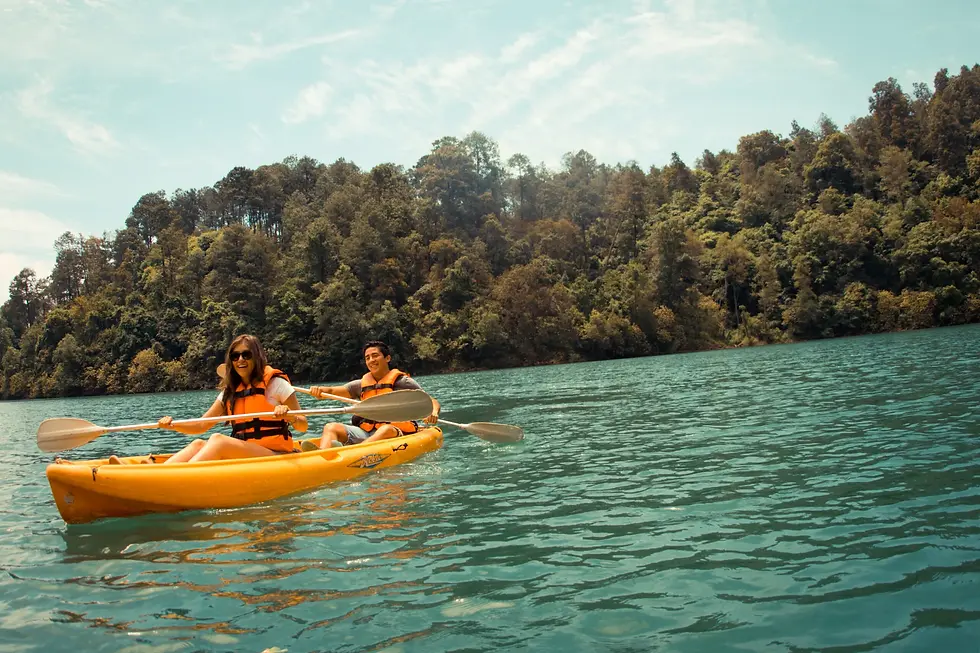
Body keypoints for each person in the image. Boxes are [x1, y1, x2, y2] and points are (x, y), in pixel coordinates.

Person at [109, 334, 307, 464]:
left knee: (218, 441)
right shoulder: (229, 393)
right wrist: (172, 425)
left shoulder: (277, 385)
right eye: (235, 356)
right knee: (198, 443)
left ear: (256, 357)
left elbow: (303, 426)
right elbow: (200, 426)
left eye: (246, 354)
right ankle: (153, 474)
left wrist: (289, 416)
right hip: (245, 454)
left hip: (275, 456)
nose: (240, 360)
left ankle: (173, 477)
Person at [304, 340, 440, 449]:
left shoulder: (403, 382)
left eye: (375, 355)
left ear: (387, 358)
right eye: (367, 358)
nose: (371, 360)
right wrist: (319, 390)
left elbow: (430, 400)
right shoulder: (360, 384)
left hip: (395, 432)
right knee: (330, 427)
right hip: (366, 432)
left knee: (386, 429)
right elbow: (333, 391)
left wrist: (433, 412)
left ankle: (353, 452)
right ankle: (323, 455)